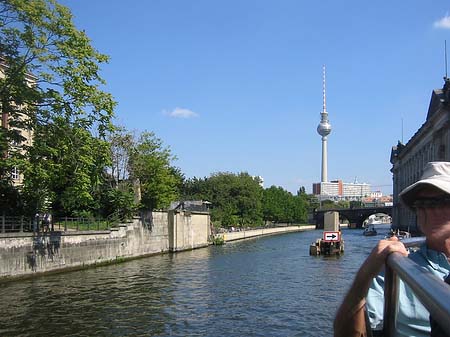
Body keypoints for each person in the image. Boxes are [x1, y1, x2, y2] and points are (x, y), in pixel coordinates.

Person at [334, 161, 450, 337]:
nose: (430, 210)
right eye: (422, 203)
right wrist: (365, 275)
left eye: (443, 201)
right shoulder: (397, 269)